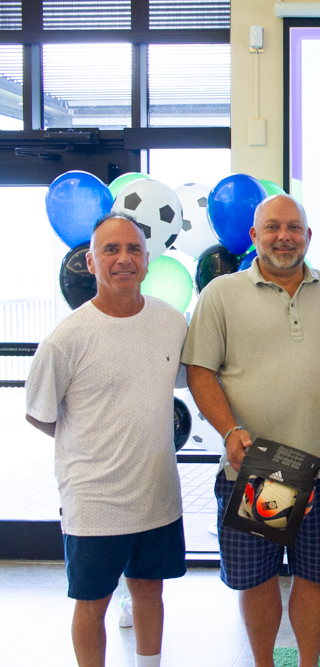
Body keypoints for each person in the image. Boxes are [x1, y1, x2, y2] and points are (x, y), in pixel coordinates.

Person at [183, 194, 320, 667]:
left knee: (316, 576)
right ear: (254, 236)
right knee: (258, 579)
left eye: (294, 227)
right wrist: (228, 431)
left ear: (308, 235)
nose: (284, 236)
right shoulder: (221, 294)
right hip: (257, 468)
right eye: (272, 227)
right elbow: (200, 371)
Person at [25, 212, 188, 667]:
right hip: (94, 502)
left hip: (157, 495)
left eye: (133, 249)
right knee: (92, 604)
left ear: (148, 259)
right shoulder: (66, 339)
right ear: (92, 263)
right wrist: (89, 444)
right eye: (110, 250)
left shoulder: (172, 322)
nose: (123, 259)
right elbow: (39, 414)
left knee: (149, 592)